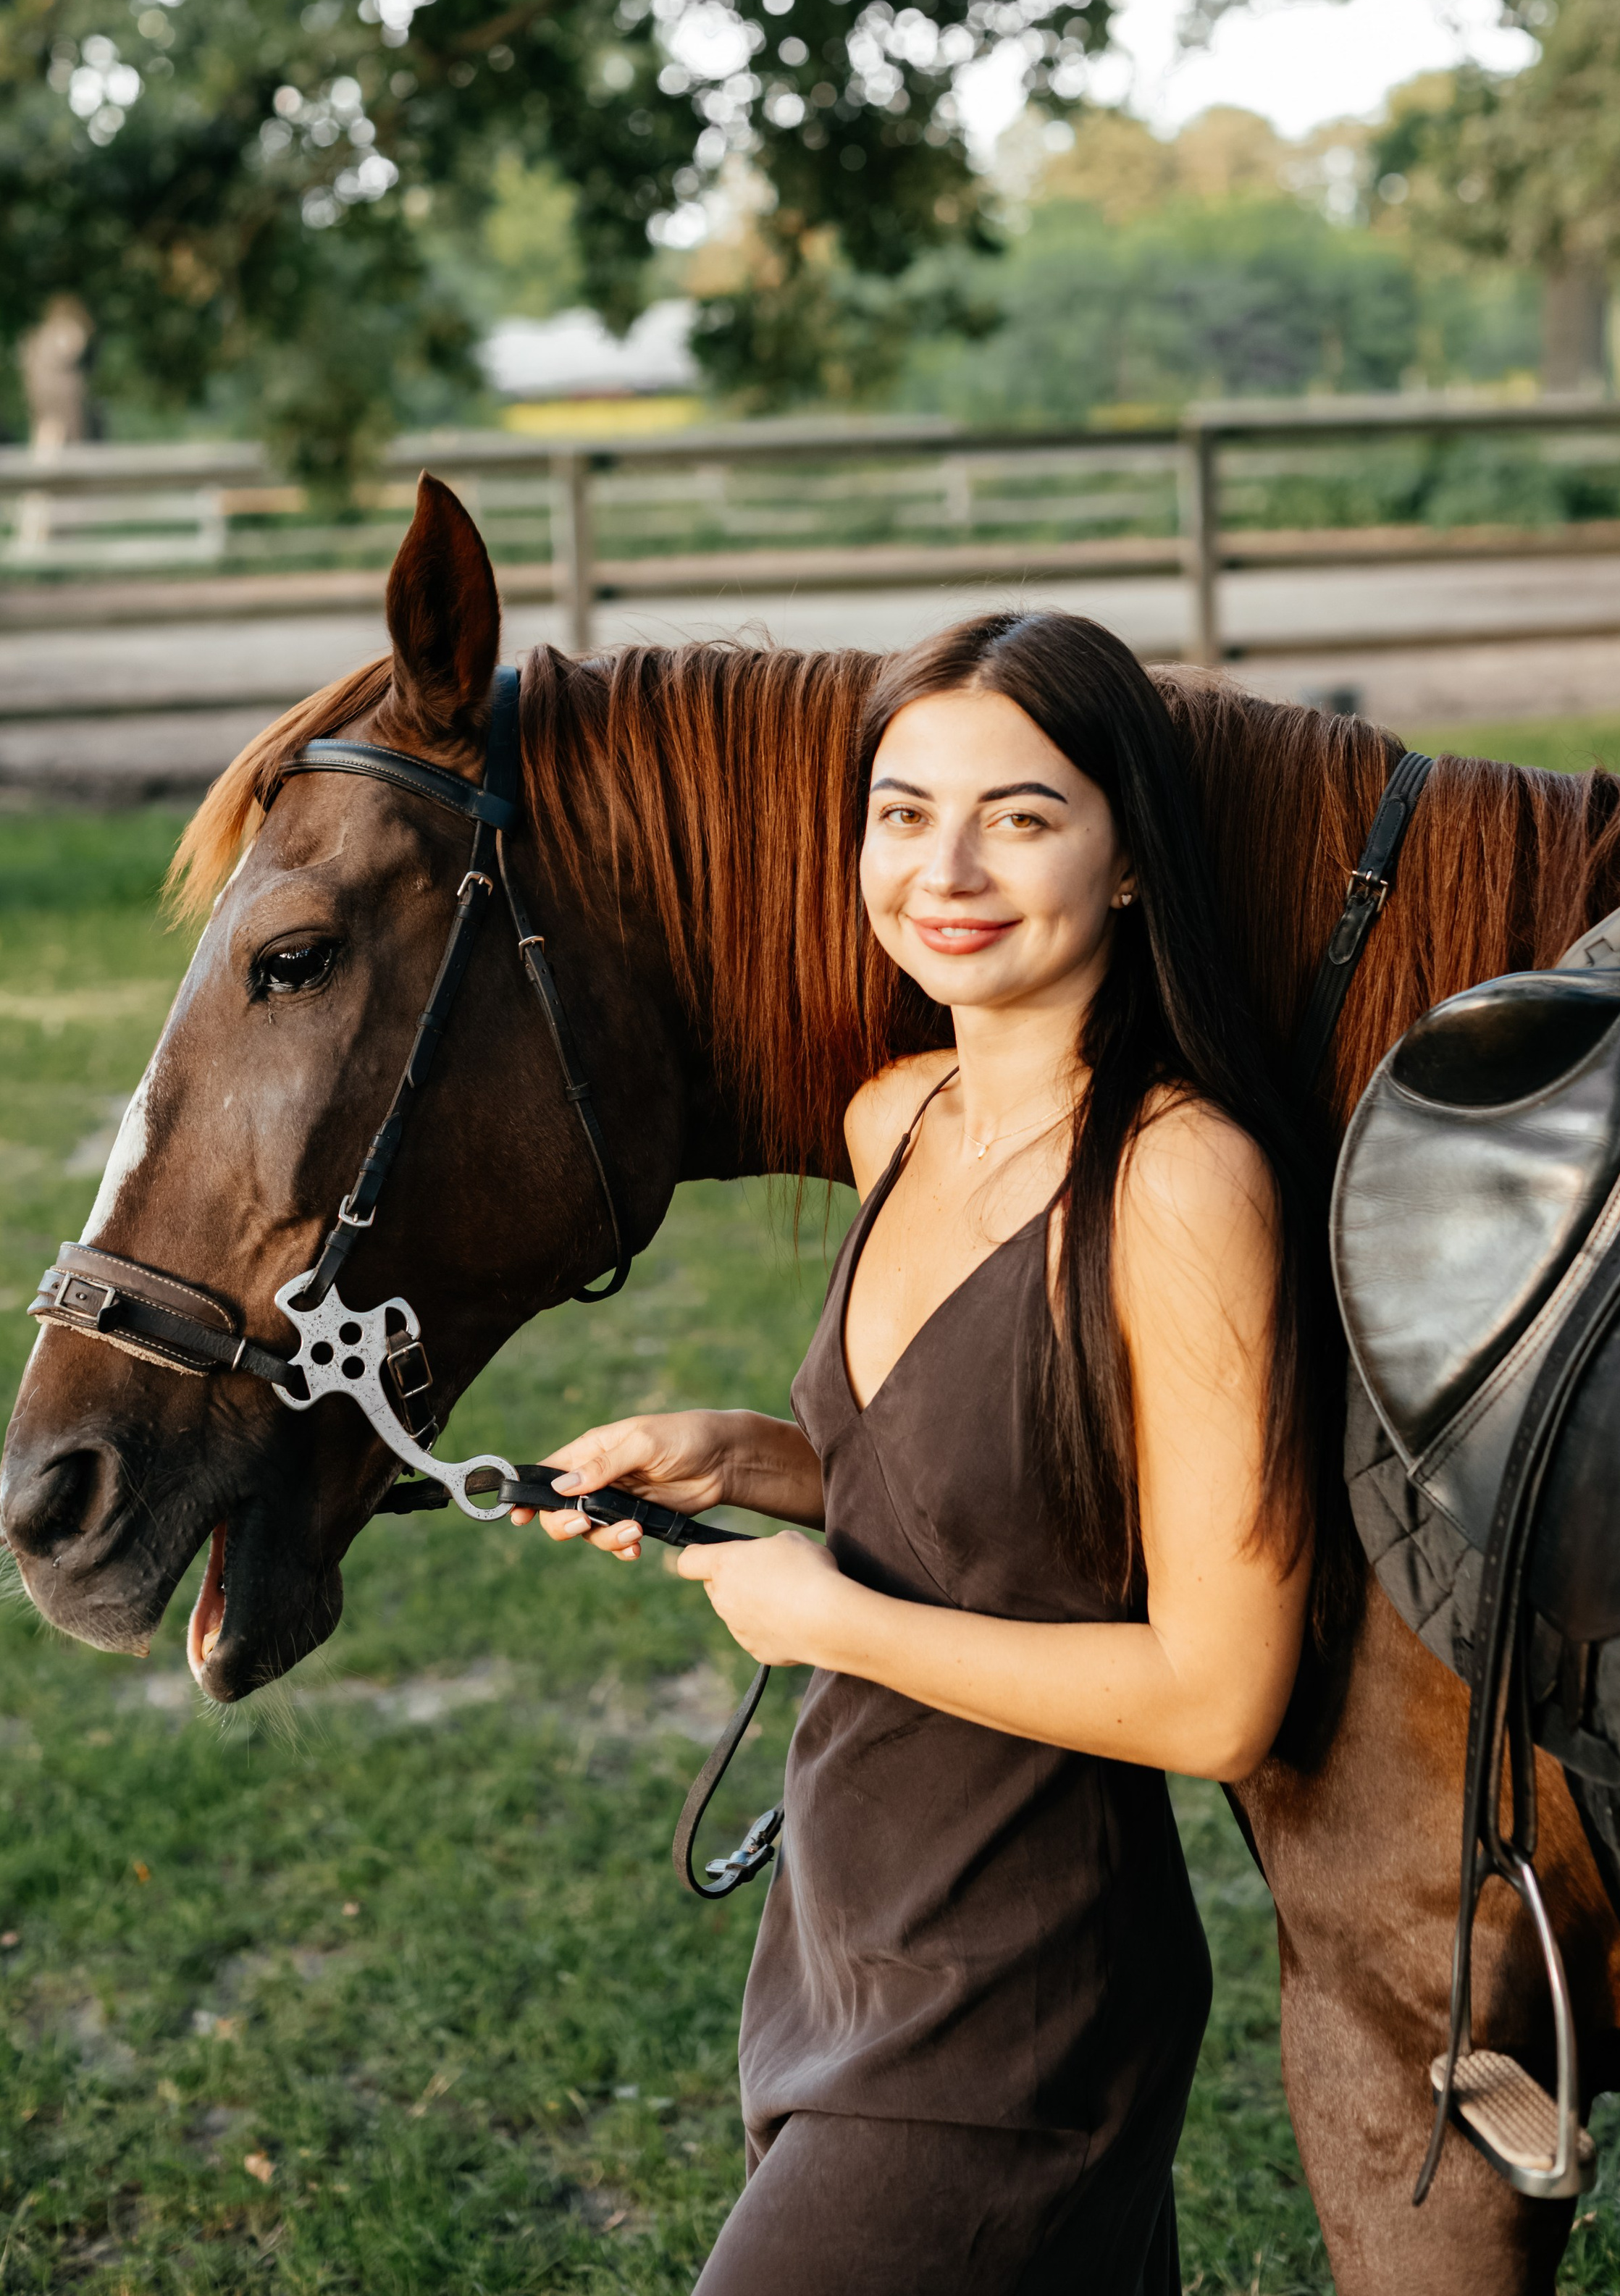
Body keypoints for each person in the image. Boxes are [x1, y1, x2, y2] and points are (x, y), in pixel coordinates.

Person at [512, 611, 1330, 2294]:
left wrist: (828, 1624)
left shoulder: (1179, 1187)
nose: (943, 866)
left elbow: (1216, 1694)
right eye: (901, 810)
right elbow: (1005, 1498)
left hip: (1023, 1988)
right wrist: (745, 1453)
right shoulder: (896, 1119)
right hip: (844, 1936)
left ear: (1122, 862)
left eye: (1020, 816)